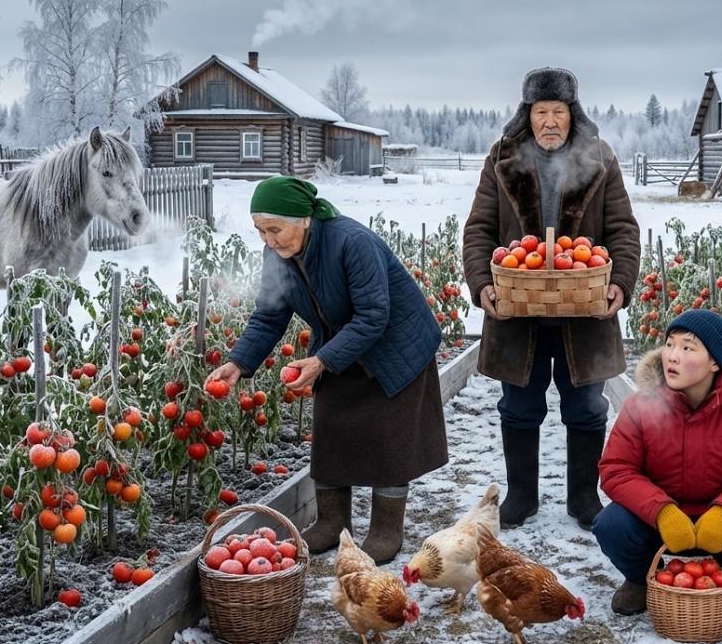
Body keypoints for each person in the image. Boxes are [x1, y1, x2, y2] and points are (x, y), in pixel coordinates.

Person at [204, 175, 448, 564]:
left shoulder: (352, 242)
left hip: (396, 346)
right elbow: (269, 315)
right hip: (340, 342)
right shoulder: (278, 255)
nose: (269, 240)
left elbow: (374, 315)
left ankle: (387, 529)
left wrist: (321, 360)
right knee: (331, 428)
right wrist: (238, 362)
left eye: (275, 229)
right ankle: (331, 522)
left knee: (388, 439)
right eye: (260, 231)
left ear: (303, 219)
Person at [462, 66, 641, 531]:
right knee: (518, 406)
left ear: (571, 113)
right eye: (540, 111)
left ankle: (584, 497)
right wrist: (483, 283)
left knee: (586, 406)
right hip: (517, 309)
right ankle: (521, 496)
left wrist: (619, 281)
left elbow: (622, 228)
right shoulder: (502, 158)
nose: (549, 121)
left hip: (585, 309)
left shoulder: (599, 157)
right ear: (527, 114)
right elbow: (480, 227)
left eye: (558, 111)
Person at [591, 308, 722, 618]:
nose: (672, 355)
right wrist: (662, 511)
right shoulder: (640, 406)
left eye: (687, 348)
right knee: (611, 524)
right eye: (670, 344)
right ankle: (641, 579)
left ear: (714, 361)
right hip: (657, 525)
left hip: (721, 529)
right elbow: (617, 469)